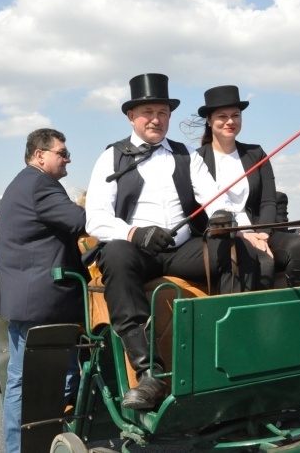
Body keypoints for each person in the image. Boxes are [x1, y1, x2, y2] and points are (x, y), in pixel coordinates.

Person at [85, 73, 261, 410]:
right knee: (116, 256)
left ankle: (228, 352)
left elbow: (212, 197)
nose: (156, 119)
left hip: (181, 249)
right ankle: (149, 372)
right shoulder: (112, 157)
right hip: (136, 250)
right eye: (148, 112)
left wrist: (223, 217)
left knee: (233, 248)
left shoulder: (185, 155)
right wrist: (136, 233)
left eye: (163, 112)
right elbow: (95, 218)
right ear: (131, 117)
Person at [0, 128, 87, 453]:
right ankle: (37, 444)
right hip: (45, 301)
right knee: (47, 379)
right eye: (62, 152)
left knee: (21, 380)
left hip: (26, 299)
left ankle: (24, 446)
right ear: (39, 154)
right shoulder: (42, 184)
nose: (68, 158)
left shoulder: (22, 182)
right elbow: (78, 220)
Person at [195, 85, 300, 287]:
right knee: (260, 261)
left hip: (260, 231)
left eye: (236, 115)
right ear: (209, 120)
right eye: (222, 116)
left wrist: (262, 234)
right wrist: (244, 236)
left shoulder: (257, 154)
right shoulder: (197, 159)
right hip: (226, 237)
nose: (230, 121)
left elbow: (269, 202)